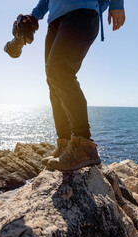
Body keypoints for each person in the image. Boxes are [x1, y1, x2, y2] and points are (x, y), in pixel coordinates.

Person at [24, 0, 125, 171]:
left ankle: (83, 145)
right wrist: (32, 17)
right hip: (55, 21)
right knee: (53, 80)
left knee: (60, 71)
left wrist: (117, 4)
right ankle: (65, 144)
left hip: (82, 11)